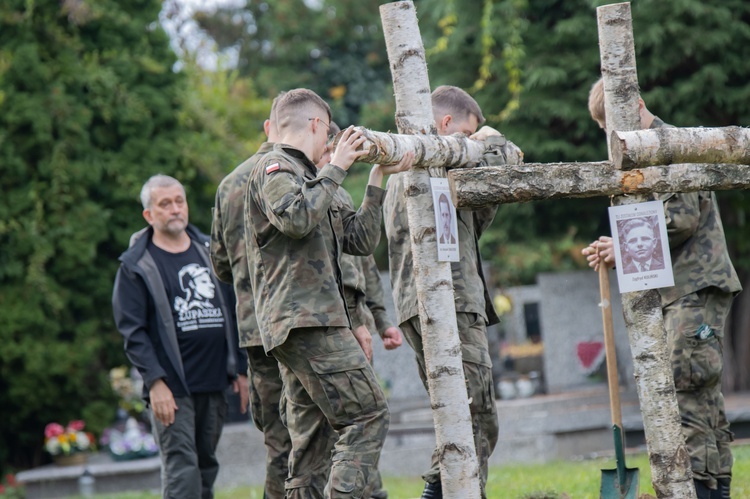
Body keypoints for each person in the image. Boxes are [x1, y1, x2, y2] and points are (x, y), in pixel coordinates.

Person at [583, 77, 742, 499]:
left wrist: (623, 247)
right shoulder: (650, 151)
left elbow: (681, 217)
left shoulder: (667, 147)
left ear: (637, 105)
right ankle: (714, 487)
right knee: (700, 392)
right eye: (604, 130)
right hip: (686, 287)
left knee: (686, 385)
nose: (610, 138)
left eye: (612, 126)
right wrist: (617, 245)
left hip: (694, 284)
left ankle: (705, 487)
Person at [244, 88, 398, 498]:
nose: (330, 145)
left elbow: (359, 240)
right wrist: (338, 167)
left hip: (314, 322)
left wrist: (377, 177)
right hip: (307, 322)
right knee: (368, 416)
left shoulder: (314, 179)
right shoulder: (273, 167)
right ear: (316, 125)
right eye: (327, 135)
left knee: (311, 449)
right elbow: (295, 219)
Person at [383, 85, 522, 499]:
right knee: (474, 415)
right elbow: (507, 159)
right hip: (449, 299)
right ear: (446, 125)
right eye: (467, 132)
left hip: (425, 300)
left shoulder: (414, 170)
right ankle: (440, 493)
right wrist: (490, 137)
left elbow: (472, 219)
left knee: (456, 415)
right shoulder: (435, 159)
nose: (471, 141)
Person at [112, 174, 249, 499]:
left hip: (215, 381)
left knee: (205, 468)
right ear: (149, 215)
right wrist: (155, 382)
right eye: (164, 204)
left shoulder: (209, 251)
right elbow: (133, 332)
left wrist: (242, 370)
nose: (175, 209)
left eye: (179, 201)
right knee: (182, 470)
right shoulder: (136, 266)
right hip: (172, 389)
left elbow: (234, 311)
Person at [210, 93, 295, 499]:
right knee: (317, 433)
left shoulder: (229, 185)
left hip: (256, 329)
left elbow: (220, 267)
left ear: (267, 127)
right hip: (301, 324)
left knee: (278, 440)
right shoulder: (296, 174)